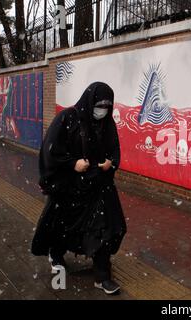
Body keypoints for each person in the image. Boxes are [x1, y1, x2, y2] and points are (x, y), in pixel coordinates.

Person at [31, 82, 127, 295]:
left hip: (99, 187)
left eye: (107, 106)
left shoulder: (107, 124)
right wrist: (72, 163)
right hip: (70, 187)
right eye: (99, 104)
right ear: (89, 100)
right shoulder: (68, 118)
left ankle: (102, 276)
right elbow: (50, 150)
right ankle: (56, 255)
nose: (102, 109)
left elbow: (114, 150)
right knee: (62, 225)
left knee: (106, 226)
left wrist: (111, 162)